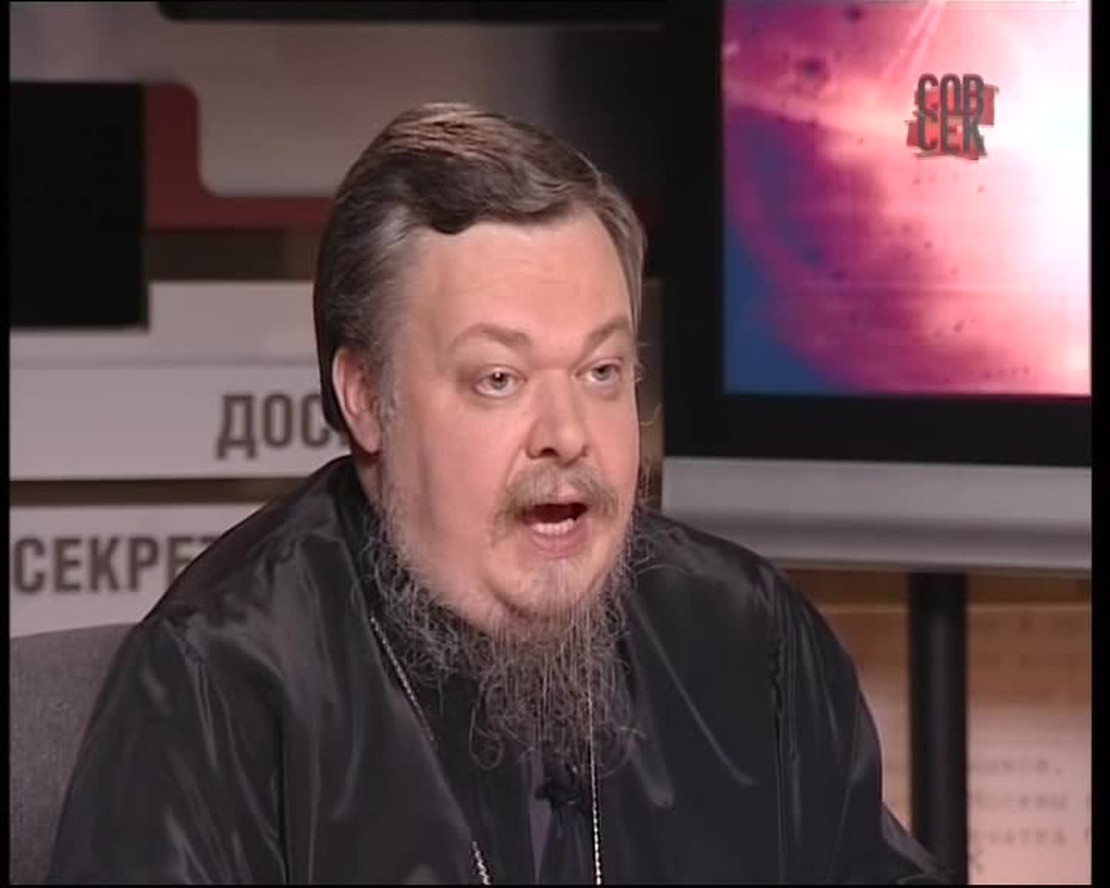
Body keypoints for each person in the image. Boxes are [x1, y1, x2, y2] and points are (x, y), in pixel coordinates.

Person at [48, 102, 947, 885]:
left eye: (601, 371)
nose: (568, 433)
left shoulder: (749, 637)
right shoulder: (218, 681)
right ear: (366, 398)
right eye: (499, 380)